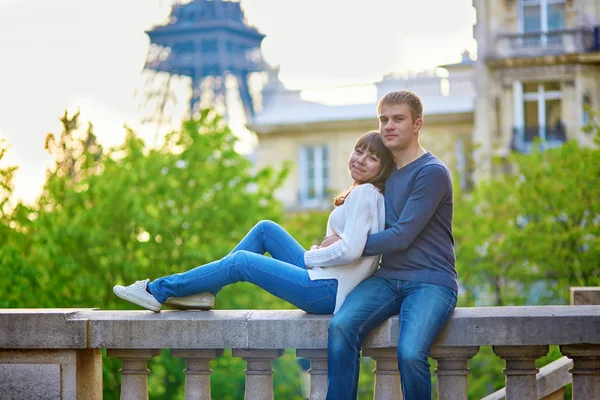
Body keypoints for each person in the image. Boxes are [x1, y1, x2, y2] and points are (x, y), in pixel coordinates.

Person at [113, 131, 393, 315]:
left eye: (372, 158)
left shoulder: (366, 193)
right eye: (359, 151)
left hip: (326, 290)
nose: (361, 160)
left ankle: (158, 290)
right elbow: (347, 247)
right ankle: (207, 291)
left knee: (242, 262)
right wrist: (322, 251)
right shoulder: (365, 193)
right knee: (265, 229)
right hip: (324, 279)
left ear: (382, 169)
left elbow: (351, 250)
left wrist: (312, 254)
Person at [326, 91, 459, 400]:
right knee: (341, 327)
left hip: (430, 281)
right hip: (387, 277)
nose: (388, 126)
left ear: (417, 125)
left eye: (398, 119)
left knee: (411, 353)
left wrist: (347, 245)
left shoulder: (432, 172)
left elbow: (400, 236)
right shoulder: (384, 173)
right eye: (383, 119)